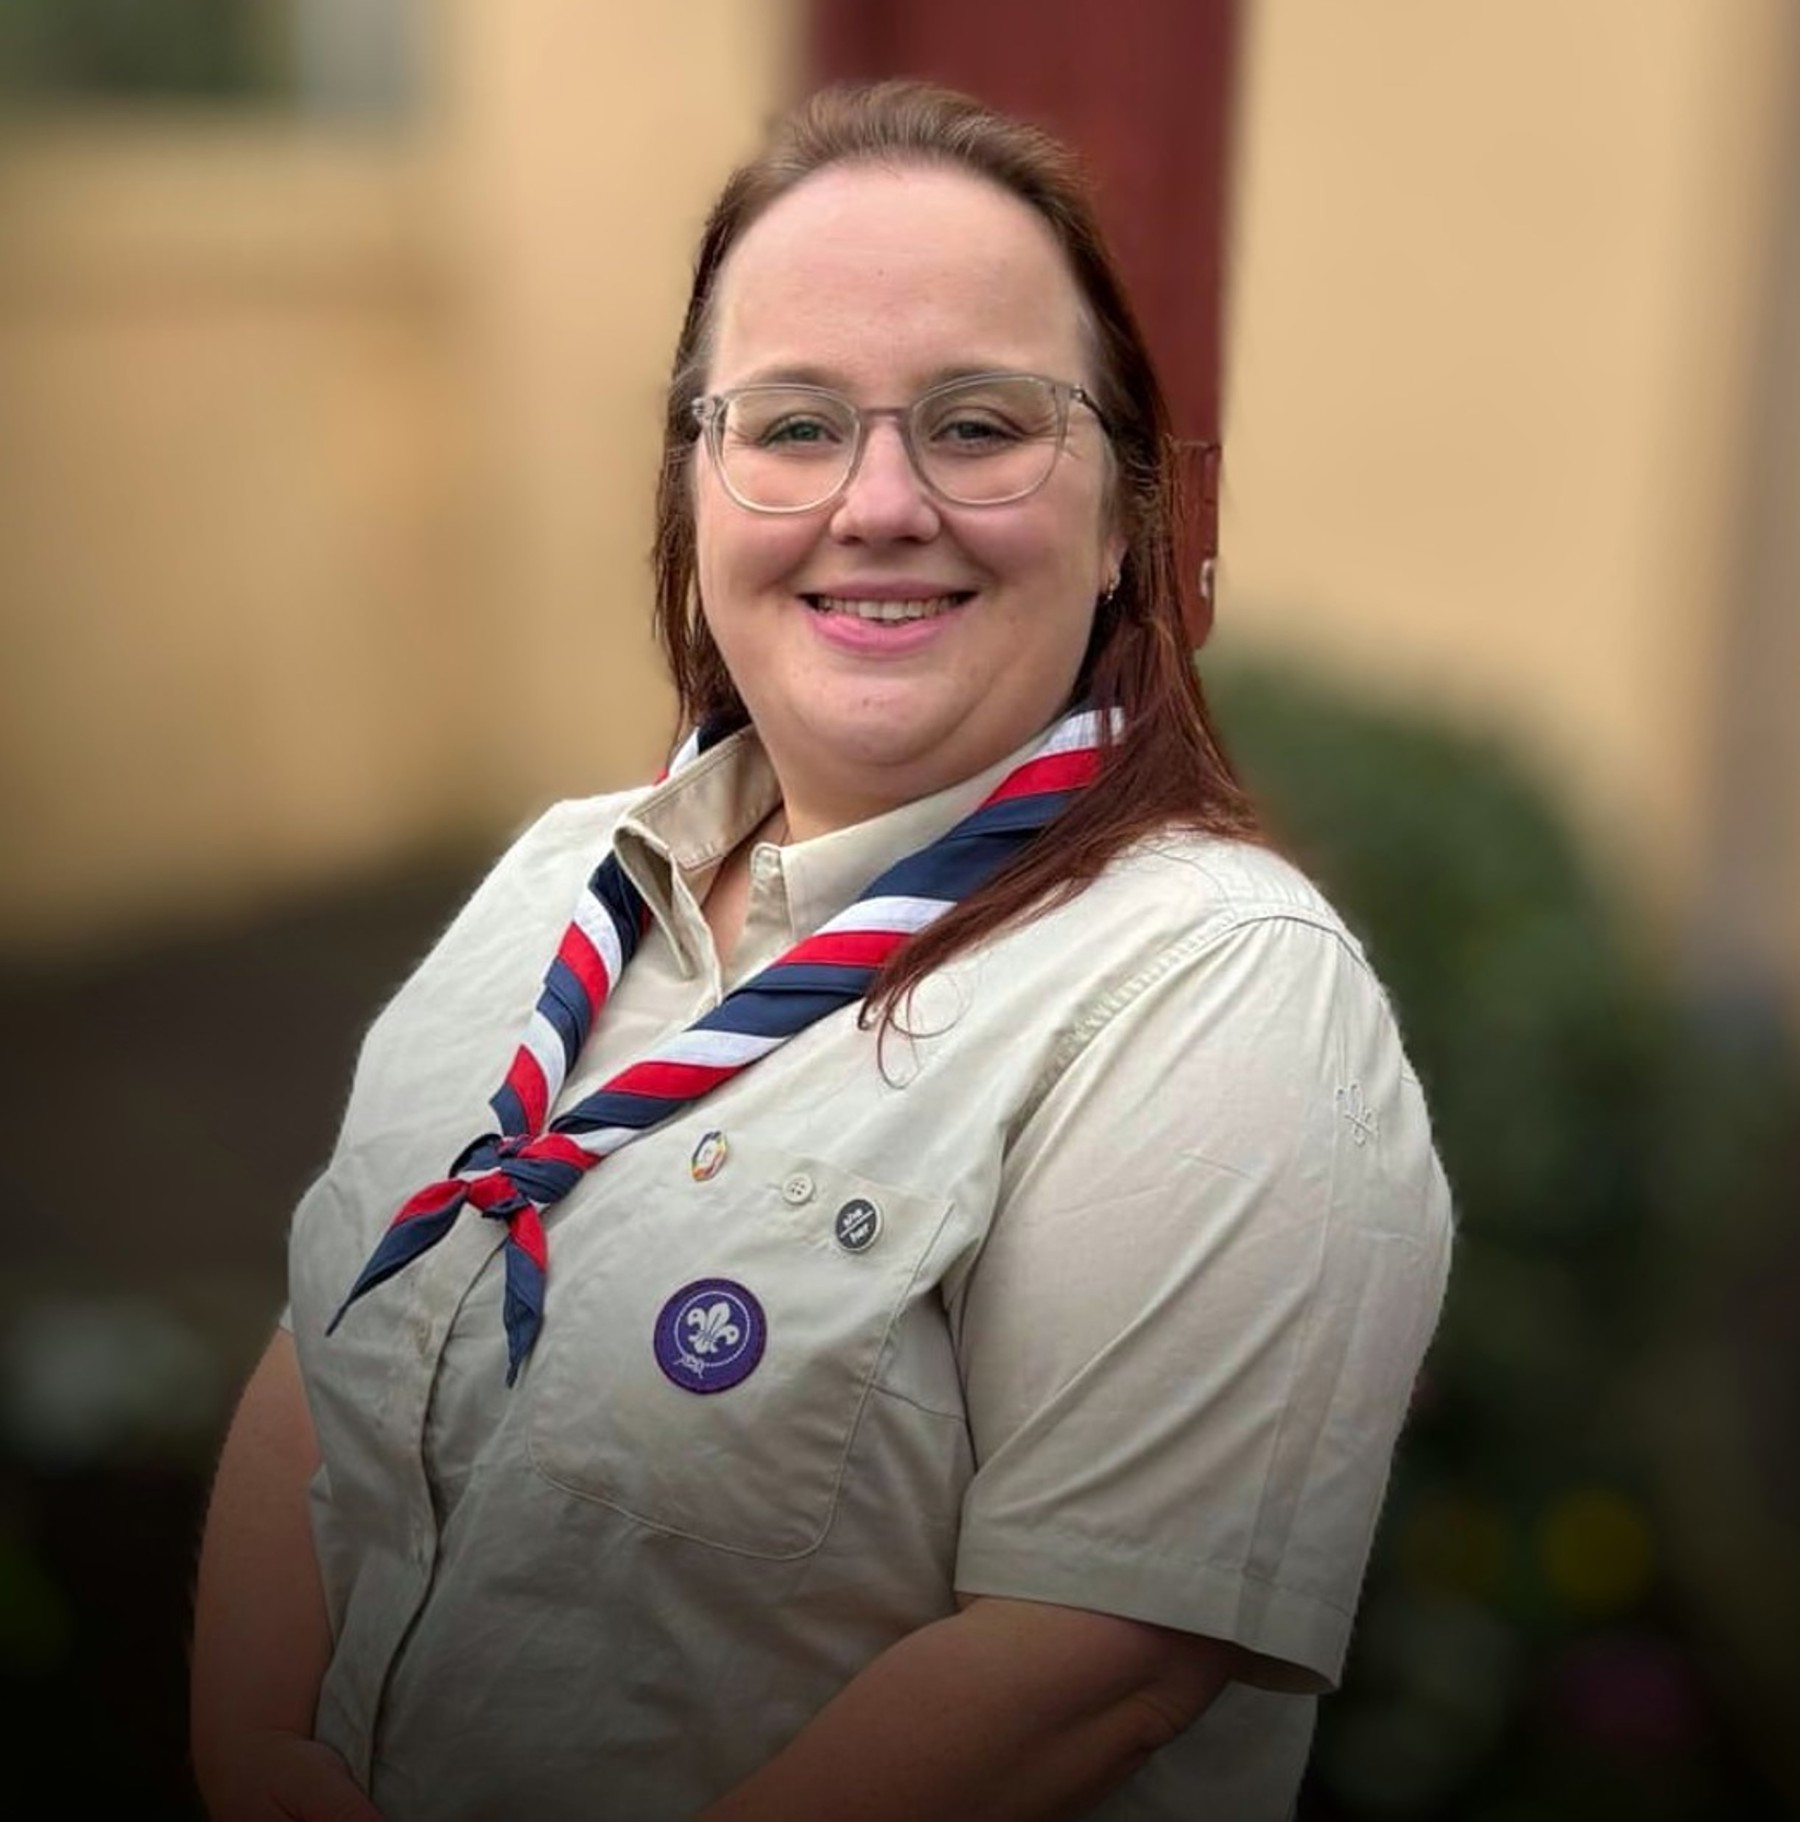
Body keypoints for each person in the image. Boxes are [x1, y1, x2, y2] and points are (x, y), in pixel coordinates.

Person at [189, 78, 1453, 1822]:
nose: (877, 500)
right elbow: (323, 1350)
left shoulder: (1219, 991)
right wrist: (252, 1762)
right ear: (697, 492)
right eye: (792, 426)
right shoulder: (558, 883)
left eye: (981, 423)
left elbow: (1084, 1667)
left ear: (1122, 517)